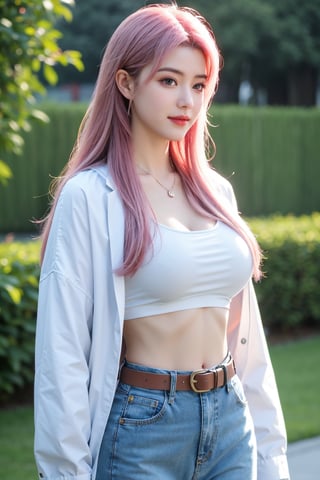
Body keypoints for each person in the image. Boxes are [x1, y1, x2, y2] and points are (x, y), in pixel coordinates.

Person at [34, 3, 290, 480]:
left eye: (198, 85)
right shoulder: (89, 197)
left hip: (231, 420)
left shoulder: (216, 192)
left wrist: (273, 454)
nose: (187, 102)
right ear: (126, 84)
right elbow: (61, 354)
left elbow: (247, 339)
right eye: (169, 81)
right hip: (142, 427)